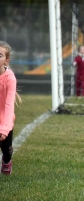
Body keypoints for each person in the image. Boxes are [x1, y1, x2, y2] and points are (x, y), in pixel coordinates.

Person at [0, 41, 21, 175]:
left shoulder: (10, 79)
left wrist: (5, 128)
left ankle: (7, 161)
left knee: (6, 150)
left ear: (6, 61)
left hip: (4, 120)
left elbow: (9, 106)